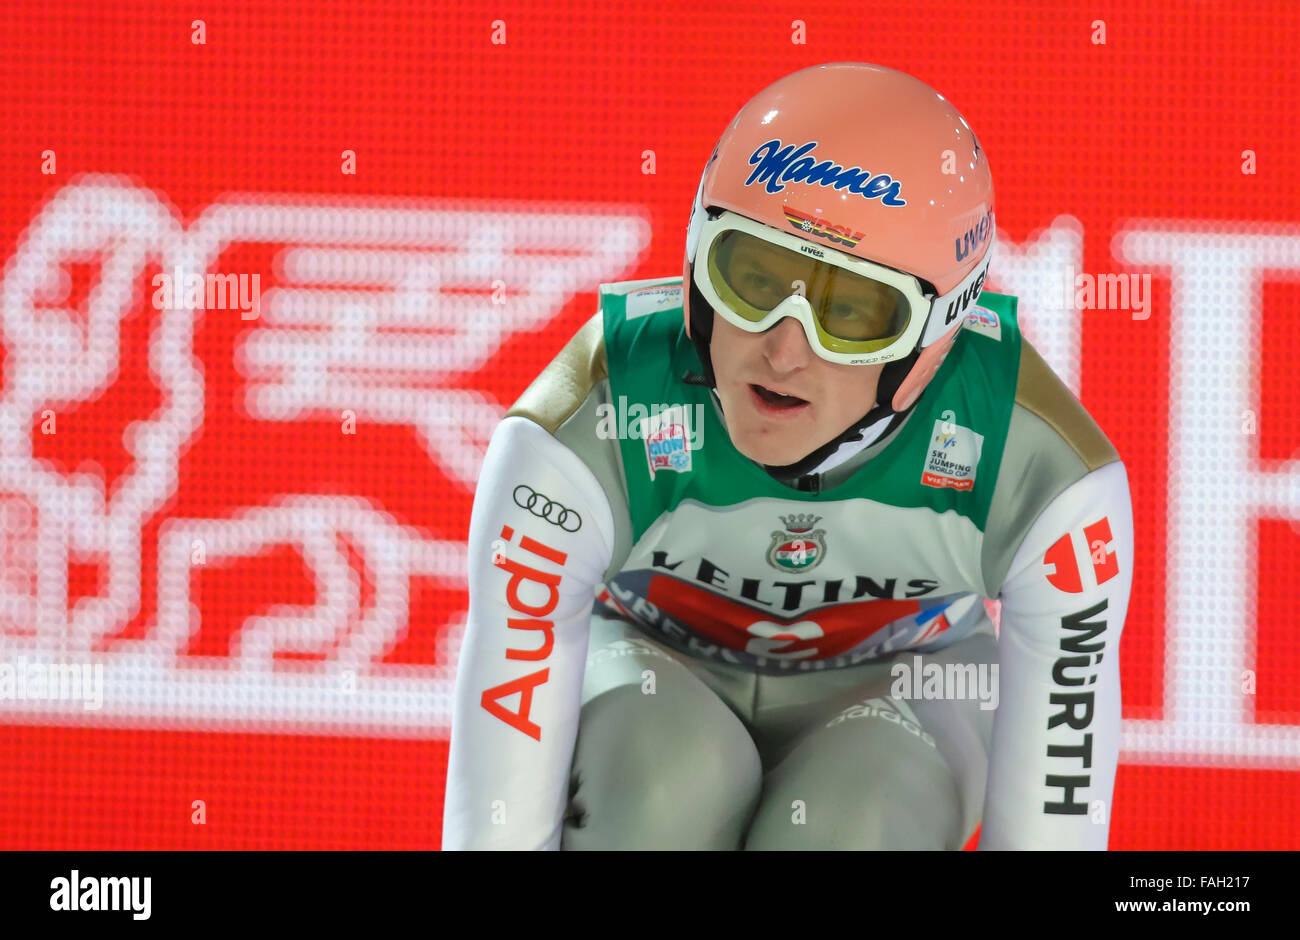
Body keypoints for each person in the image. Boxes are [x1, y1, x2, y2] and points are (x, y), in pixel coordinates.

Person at [442, 62, 1133, 850]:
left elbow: (1053, 820)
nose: (785, 349)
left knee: (859, 818)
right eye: (755, 276)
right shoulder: (585, 418)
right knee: (663, 777)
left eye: (855, 312)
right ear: (697, 259)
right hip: (650, 676)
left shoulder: (1044, 470)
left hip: (901, 696)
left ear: (941, 335)